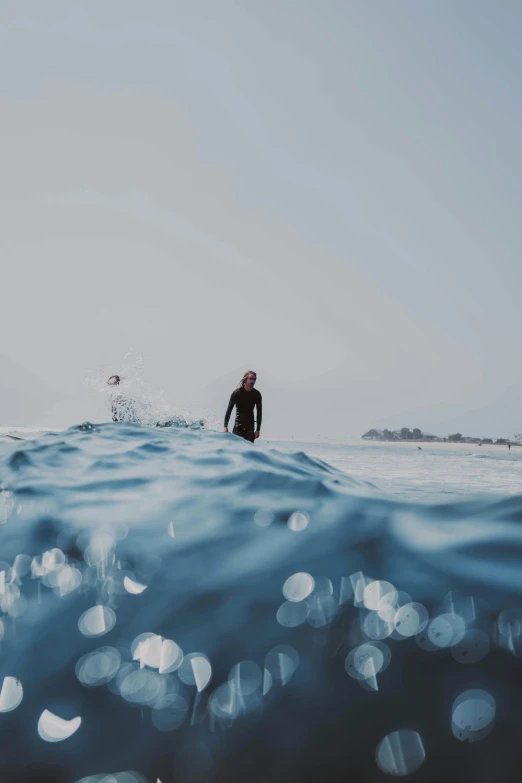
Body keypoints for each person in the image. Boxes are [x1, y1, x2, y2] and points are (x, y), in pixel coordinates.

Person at [223, 371, 262, 443]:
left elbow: (259, 412)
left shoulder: (257, 394)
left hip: (250, 428)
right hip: (238, 427)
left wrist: (258, 429)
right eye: (250, 379)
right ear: (245, 379)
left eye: (254, 379)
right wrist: (225, 426)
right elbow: (229, 410)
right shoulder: (237, 393)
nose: (252, 381)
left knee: (249, 450)